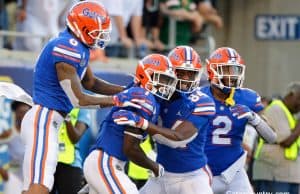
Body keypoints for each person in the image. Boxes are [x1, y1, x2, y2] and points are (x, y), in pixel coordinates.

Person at [19, 1, 147, 194]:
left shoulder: (77, 46)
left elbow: (91, 83)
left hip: (49, 120)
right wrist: (119, 100)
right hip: (44, 119)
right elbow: (79, 100)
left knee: (35, 187)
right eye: (96, 31)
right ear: (81, 27)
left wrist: (125, 91)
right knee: (40, 187)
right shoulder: (67, 47)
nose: (100, 36)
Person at [83, 54, 178, 194]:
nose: (165, 85)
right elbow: (130, 148)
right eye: (162, 79)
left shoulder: (141, 93)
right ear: (146, 76)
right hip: (106, 164)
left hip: (105, 163)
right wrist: (155, 167)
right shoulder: (145, 98)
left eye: (168, 80)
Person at [138, 46, 217, 194]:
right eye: (181, 73)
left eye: (190, 74)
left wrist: (143, 124)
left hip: (192, 176)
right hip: (161, 174)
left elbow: (177, 140)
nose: (186, 79)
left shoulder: (202, 101)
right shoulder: (157, 94)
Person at [201, 47, 277, 194]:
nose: (232, 76)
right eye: (227, 70)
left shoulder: (246, 97)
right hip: (201, 171)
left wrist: (255, 118)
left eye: (235, 70)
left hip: (233, 172)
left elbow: (272, 137)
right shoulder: (198, 97)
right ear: (212, 71)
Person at [253, 81, 300, 194]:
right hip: (272, 175)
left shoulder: (291, 114)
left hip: (286, 175)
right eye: (299, 99)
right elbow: (286, 141)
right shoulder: (276, 109)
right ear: (290, 95)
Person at [50, 108, 91, 194]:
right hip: (47, 161)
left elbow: (75, 138)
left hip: (70, 162)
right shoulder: (50, 102)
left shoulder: (81, 109)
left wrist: (67, 117)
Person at [5, 101, 30, 194]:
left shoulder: (34, 134)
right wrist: (2, 170)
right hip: (14, 178)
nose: (23, 115)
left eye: (26, 112)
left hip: (30, 179)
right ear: (15, 114)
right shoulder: (10, 132)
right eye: (20, 112)